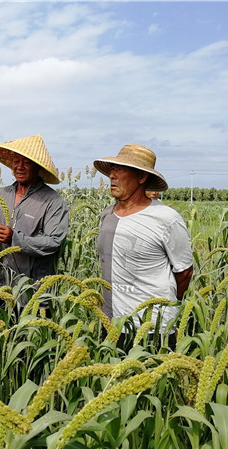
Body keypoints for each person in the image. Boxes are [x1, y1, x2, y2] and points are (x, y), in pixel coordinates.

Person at [94, 144, 193, 345]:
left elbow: (184, 272)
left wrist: (168, 305)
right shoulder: (107, 215)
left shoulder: (166, 218)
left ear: (141, 177)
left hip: (151, 329)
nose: (112, 175)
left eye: (120, 169)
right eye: (112, 169)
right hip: (112, 323)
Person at [0, 135, 69, 304]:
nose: (20, 167)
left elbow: (53, 242)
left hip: (33, 293)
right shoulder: (2, 194)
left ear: (38, 167)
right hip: (0, 288)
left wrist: (15, 239)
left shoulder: (52, 201)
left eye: (27, 162)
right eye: (16, 161)